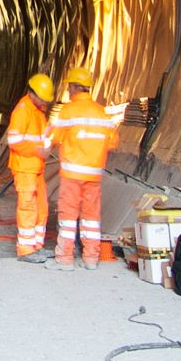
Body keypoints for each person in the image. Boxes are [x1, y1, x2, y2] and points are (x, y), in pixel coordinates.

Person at [47, 66, 117, 270]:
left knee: (68, 217)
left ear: (75, 87)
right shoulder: (101, 112)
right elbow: (112, 142)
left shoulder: (68, 111)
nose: (68, 90)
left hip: (72, 173)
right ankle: (91, 258)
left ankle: (65, 259)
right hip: (94, 175)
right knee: (91, 217)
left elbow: (55, 137)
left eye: (69, 86)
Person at [5, 73, 56, 263]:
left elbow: (40, 136)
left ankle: (37, 246)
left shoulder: (37, 111)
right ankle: (26, 250)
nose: (46, 102)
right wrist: (38, 150)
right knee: (28, 208)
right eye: (43, 98)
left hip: (36, 168)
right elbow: (14, 140)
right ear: (33, 94)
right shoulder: (23, 110)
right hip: (25, 168)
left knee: (41, 208)